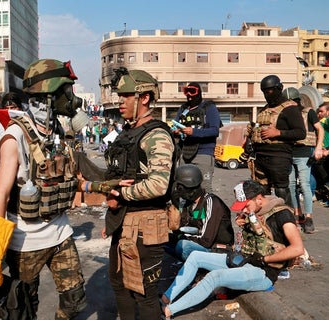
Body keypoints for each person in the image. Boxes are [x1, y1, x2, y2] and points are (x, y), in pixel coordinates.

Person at [0, 59, 91, 319]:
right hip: (25, 242)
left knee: (74, 302)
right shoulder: (14, 137)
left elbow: (70, 178)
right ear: (48, 95)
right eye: (66, 91)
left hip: (61, 233)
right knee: (20, 309)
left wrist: (101, 186)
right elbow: (1, 195)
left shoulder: (57, 131)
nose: (71, 98)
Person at [162, 180, 304, 317]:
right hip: (244, 260)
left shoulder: (282, 215)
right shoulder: (255, 212)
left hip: (263, 272)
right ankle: (166, 298)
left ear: (259, 199)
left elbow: (297, 249)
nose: (244, 210)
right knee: (195, 257)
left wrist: (265, 259)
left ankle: (169, 311)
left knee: (214, 277)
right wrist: (245, 225)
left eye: (246, 206)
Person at [100, 67, 174, 319]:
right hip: (122, 222)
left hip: (146, 226)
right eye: (120, 95)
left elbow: (158, 185)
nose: (120, 100)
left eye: (127, 95)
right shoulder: (127, 132)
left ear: (144, 98)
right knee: (120, 286)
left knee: (144, 292)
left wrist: (120, 195)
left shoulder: (156, 135)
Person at [244, 75, 305, 206]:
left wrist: (277, 133)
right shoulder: (265, 109)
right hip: (261, 156)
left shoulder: (290, 108)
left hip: (279, 157)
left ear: (279, 88)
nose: (267, 94)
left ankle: (287, 221)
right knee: (261, 191)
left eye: (270, 91)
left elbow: (301, 133)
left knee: (281, 190)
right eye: (264, 91)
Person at [170, 164, 234, 262]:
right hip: (200, 243)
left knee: (182, 246)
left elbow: (206, 241)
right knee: (165, 242)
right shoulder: (189, 203)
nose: (177, 191)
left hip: (217, 250)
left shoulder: (211, 202)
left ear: (189, 188)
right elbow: (186, 226)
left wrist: (181, 237)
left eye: (180, 188)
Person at [282, 88, 324, 234]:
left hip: (304, 153)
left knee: (305, 186)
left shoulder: (308, 112)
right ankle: (297, 214)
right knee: (291, 185)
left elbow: (320, 129)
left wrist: (318, 148)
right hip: (289, 153)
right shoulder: (285, 114)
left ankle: (308, 218)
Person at [172, 82, 221, 192]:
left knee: (204, 188)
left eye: (192, 91)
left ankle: (205, 209)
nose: (189, 95)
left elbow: (214, 130)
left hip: (204, 153)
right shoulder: (183, 109)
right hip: (185, 153)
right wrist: (176, 132)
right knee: (183, 187)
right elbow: (175, 124)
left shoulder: (209, 107)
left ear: (199, 93)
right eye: (186, 91)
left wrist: (193, 132)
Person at [0, 92, 23, 205]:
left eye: (13, 108)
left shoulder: (28, 127)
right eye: (7, 108)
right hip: (3, 180)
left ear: (20, 108)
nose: (10, 111)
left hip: (24, 180)